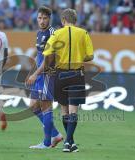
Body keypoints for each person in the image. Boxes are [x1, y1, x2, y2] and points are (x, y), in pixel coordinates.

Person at [43, 8, 94, 152]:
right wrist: (78, 56)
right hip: (77, 74)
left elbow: (47, 52)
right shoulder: (83, 33)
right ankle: (69, 142)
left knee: (64, 110)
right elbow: (90, 56)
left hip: (60, 74)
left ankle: (69, 142)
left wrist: (48, 68)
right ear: (75, 20)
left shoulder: (57, 33)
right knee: (73, 111)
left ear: (63, 20)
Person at [26, 6, 63, 149]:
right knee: (33, 107)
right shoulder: (39, 33)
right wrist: (32, 72)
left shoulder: (52, 33)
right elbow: (40, 55)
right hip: (40, 74)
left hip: (48, 74)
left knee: (46, 106)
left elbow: (49, 59)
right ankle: (55, 134)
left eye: (45, 18)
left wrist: (36, 74)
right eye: (40, 18)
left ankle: (47, 143)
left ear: (50, 19)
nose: (42, 21)